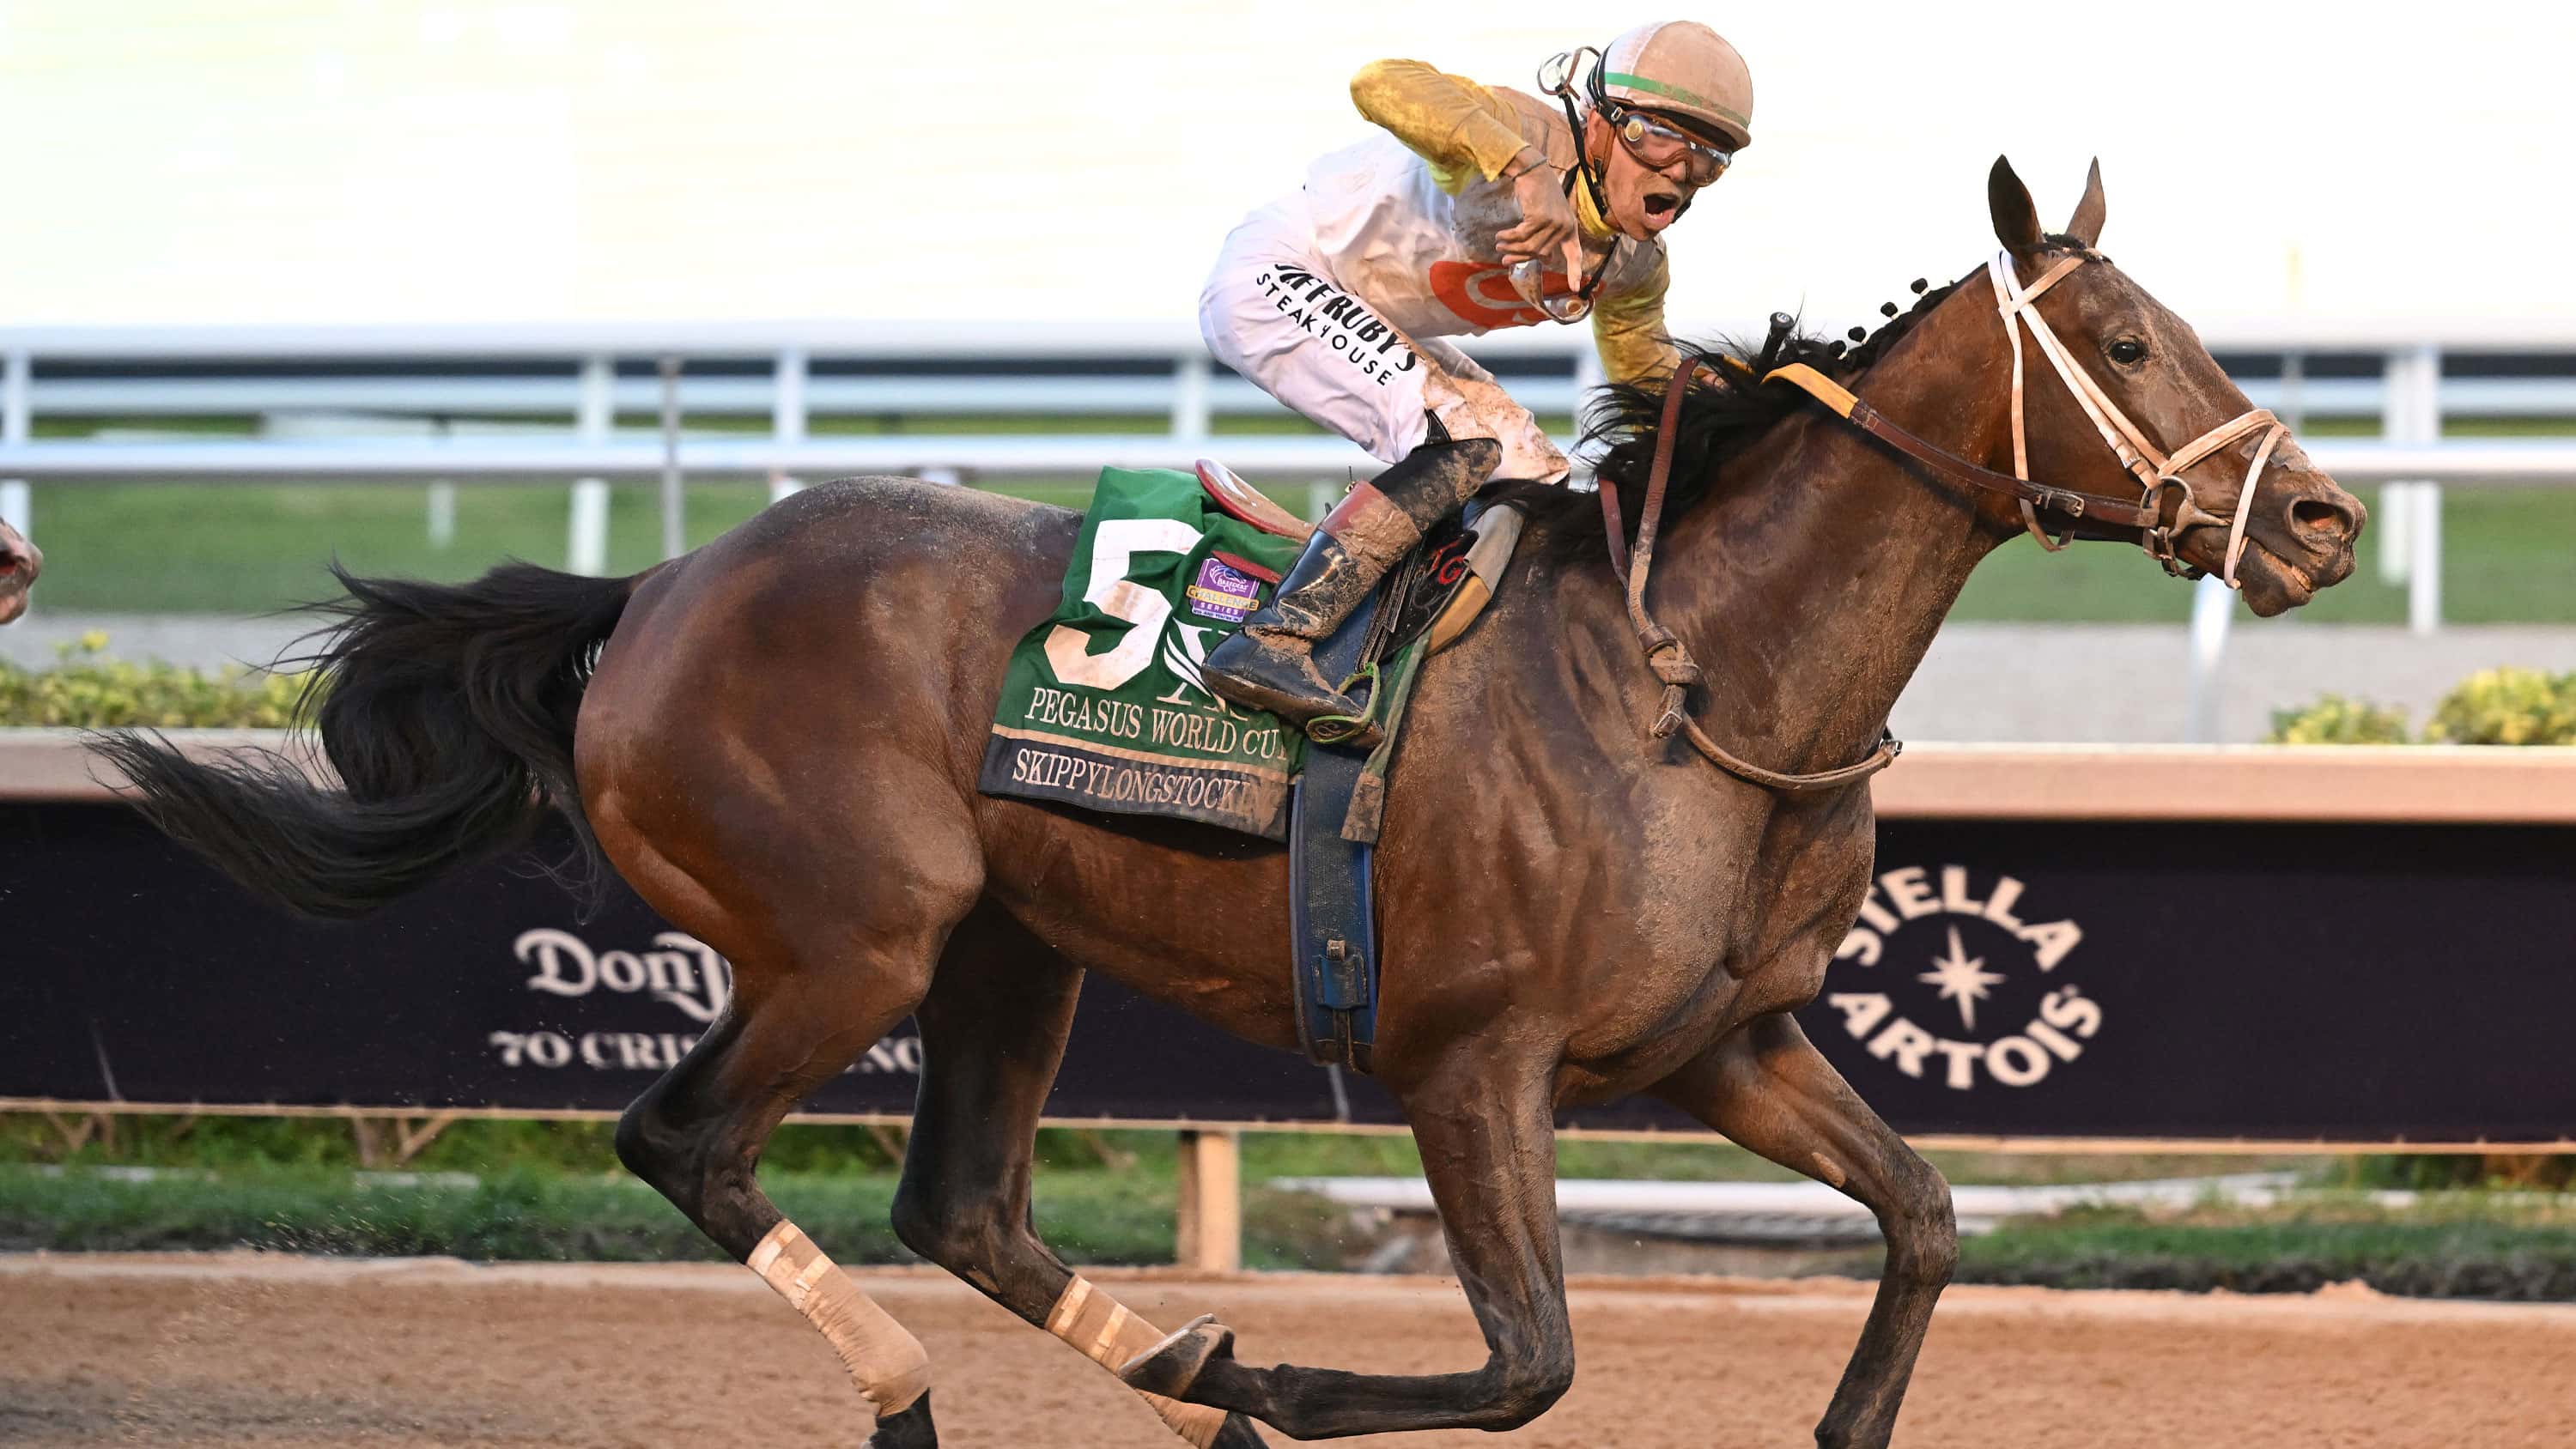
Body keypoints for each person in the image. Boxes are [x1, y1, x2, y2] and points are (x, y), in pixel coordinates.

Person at [1197, 21, 1754, 733]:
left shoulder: (1635, 267)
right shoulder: (1521, 130)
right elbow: (1380, 82)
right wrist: (1522, 170)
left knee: (1537, 476)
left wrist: (1748, 400)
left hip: (1361, 312)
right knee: (1460, 439)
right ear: (1600, 124)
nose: (1680, 171)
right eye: (1657, 137)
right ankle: (1274, 639)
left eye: (1709, 157)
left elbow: (1646, 381)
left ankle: (1423, 670)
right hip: (1275, 272)